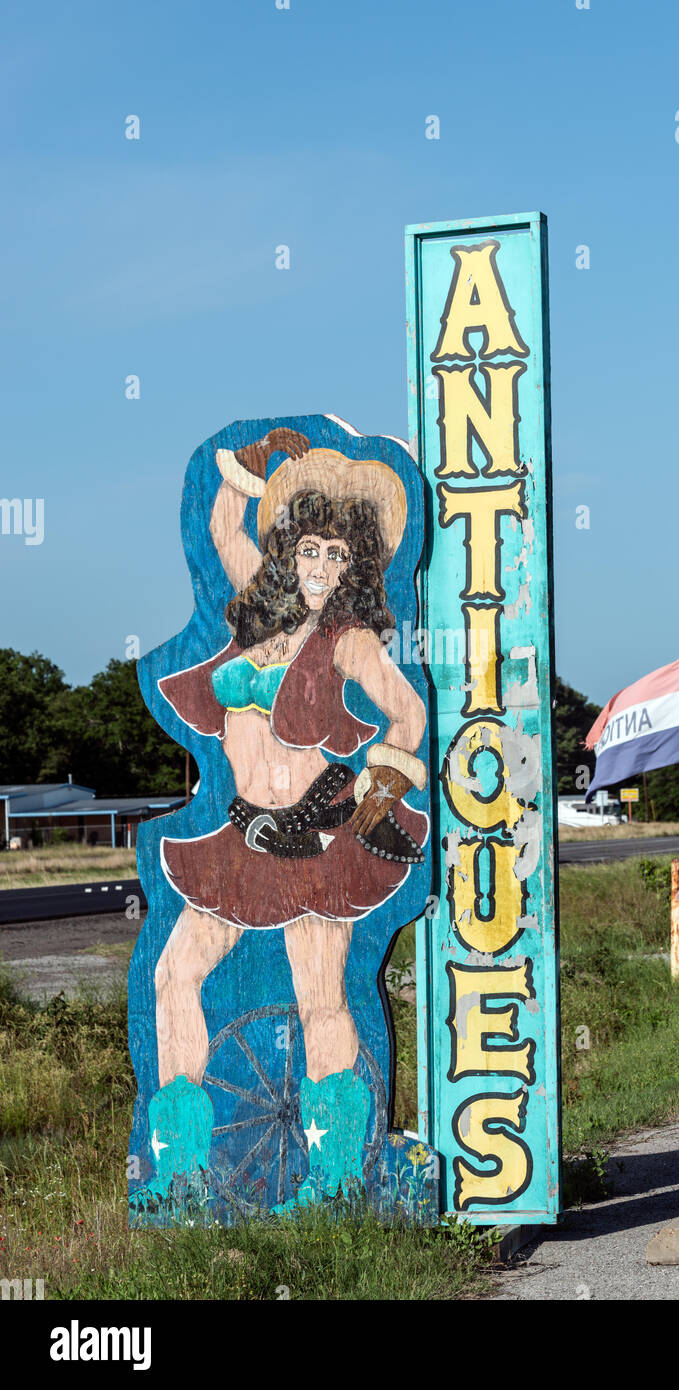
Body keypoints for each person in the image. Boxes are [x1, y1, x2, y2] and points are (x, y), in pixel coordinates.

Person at [130, 428, 428, 1212]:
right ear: (290, 553)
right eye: (311, 551)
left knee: (321, 998)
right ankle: (184, 1174)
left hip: (313, 835)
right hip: (241, 835)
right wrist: (250, 467)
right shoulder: (258, 616)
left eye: (339, 555)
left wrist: (378, 792)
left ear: (356, 564)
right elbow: (223, 526)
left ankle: (335, 1180)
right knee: (173, 975)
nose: (323, 568)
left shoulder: (350, 638)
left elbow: (408, 713)